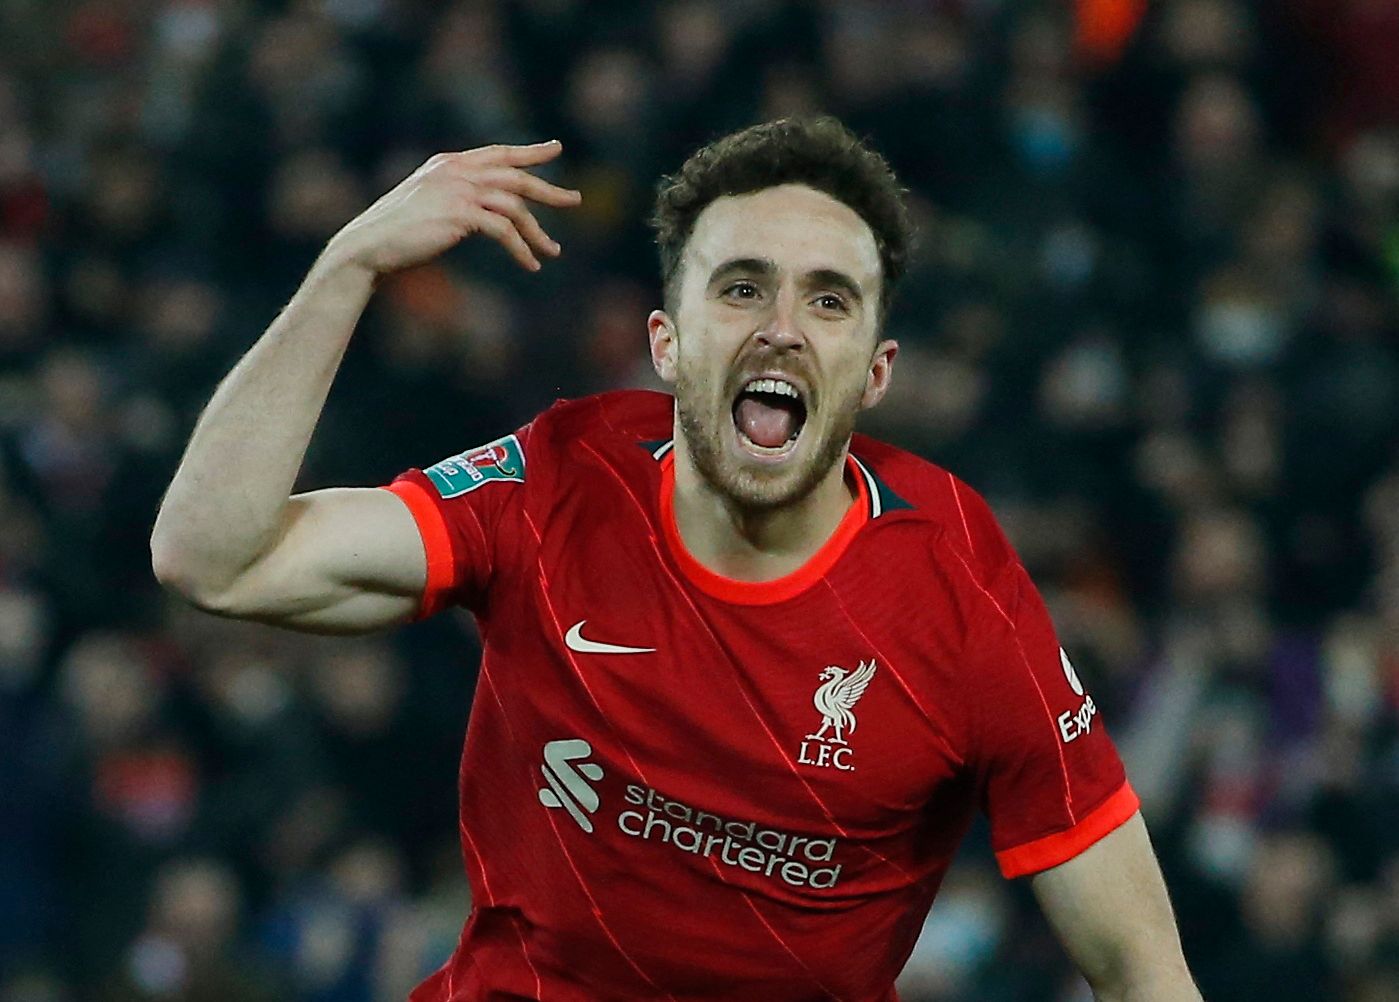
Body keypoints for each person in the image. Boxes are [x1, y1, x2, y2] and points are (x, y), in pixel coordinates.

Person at [151, 118, 1201, 1001]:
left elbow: (1141, 966)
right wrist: (351, 265)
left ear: (876, 371)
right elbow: (213, 560)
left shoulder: (954, 584)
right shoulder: (558, 483)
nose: (782, 330)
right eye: (741, 288)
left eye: (828, 299)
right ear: (665, 342)